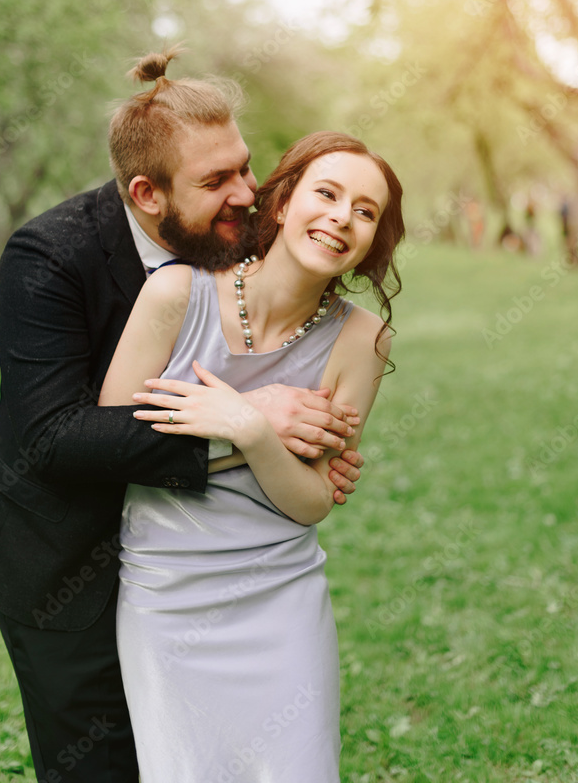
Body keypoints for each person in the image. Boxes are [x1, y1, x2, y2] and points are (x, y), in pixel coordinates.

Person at [0, 47, 364, 783]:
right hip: (63, 559)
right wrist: (253, 428)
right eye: (217, 181)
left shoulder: (237, 231)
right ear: (148, 193)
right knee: (105, 767)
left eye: (245, 166)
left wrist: (316, 429)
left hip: (196, 566)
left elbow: (299, 321)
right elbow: (55, 439)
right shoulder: (46, 259)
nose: (248, 194)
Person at [99, 125, 405, 781]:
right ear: (283, 201)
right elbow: (108, 447)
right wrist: (245, 432)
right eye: (326, 193)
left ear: (373, 240)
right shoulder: (175, 295)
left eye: (365, 211)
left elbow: (311, 502)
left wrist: (253, 430)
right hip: (165, 597)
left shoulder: (363, 341)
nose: (341, 218)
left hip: (281, 596)